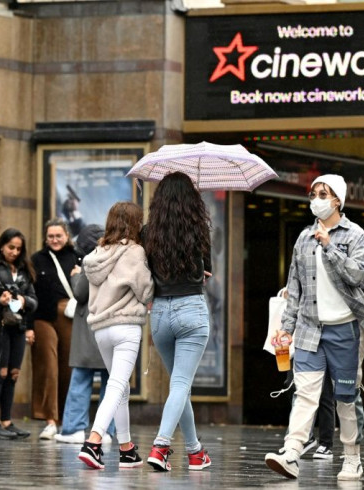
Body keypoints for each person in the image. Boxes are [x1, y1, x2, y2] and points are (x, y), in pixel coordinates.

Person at [265, 174, 364, 481]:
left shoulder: (354, 235)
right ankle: (291, 452)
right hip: (310, 329)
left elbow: (356, 274)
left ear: (337, 200)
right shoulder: (303, 238)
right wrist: (286, 327)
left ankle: (352, 457)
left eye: (323, 194)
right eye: (314, 193)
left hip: (345, 330)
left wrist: (329, 247)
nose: (316, 199)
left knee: (345, 398)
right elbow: (294, 287)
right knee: (305, 394)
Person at [143, 171, 213, 472]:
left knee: (178, 386)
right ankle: (161, 446)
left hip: (159, 313)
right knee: (181, 384)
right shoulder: (198, 230)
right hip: (191, 309)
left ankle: (196, 452)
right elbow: (206, 274)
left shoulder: (147, 233)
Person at [77, 202, 153, 469]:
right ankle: (94, 441)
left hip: (101, 329)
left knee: (120, 388)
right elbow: (145, 291)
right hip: (125, 326)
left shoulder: (98, 252)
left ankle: (127, 449)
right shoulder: (133, 251)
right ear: (134, 223)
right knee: (118, 385)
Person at [0, 227, 38, 440]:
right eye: (11, 247)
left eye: (19, 249)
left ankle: (7, 421)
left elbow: (33, 300)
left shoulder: (24, 269)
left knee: (13, 374)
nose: (14, 252)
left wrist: (23, 301)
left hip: (18, 326)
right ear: (2, 245)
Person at [55, 224, 114, 445]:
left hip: (89, 328)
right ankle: (105, 431)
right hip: (111, 326)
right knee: (111, 383)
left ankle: (74, 429)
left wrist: (76, 276)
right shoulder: (116, 258)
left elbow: (81, 293)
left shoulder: (91, 261)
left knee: (81, 378)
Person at [30, 217, 83, 439]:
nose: (54, 240)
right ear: (45, 237)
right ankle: (49, 420)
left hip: (69, 314)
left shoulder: (77, 257)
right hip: (41, 316)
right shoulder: (36, 259)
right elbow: (29, 291)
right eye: (50, 236)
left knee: (68, 369)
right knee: (47, 365)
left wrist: (79, 275)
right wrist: (27, 326)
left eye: (58, 235)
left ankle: (65, 419)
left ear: (67, 236)